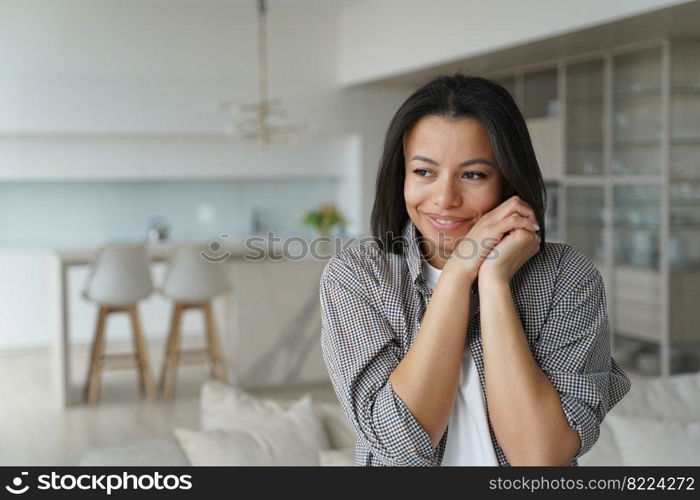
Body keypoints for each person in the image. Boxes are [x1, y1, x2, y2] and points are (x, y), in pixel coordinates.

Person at [319, 73, 631, 467]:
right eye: (424, 172)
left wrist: (495, 281)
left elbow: (541, 458)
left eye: (473, 175)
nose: (445, 199)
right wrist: (456, 275)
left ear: (508, 180)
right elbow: (399, 445)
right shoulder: (358, 276)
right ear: (401, 176)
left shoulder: (566, 277)